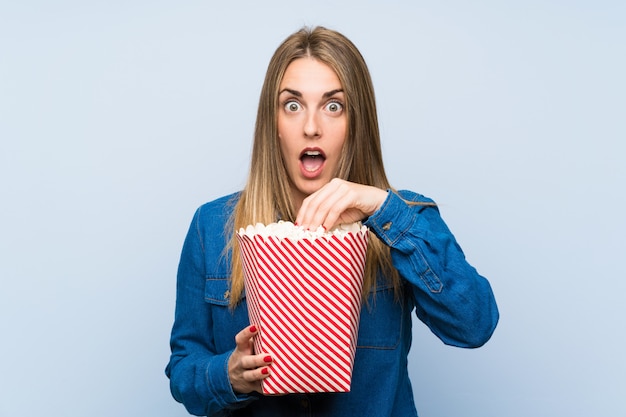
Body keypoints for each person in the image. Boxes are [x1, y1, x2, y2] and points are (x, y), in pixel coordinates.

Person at [165, 26, 499, 417]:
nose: (311, 127)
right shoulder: (211, 227)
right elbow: (183, 371)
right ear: (271, 122)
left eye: (333, 106)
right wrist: (229, 375)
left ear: (356, 123)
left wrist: (381, 208)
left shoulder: (402, 219)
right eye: (292, 105)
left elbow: (474, 324)